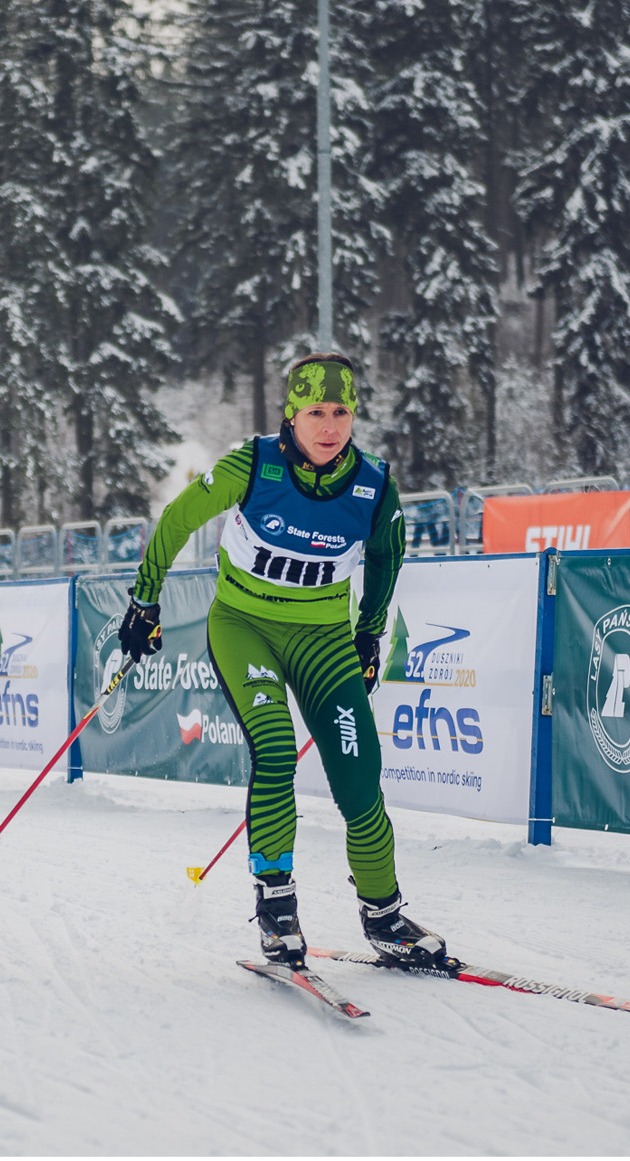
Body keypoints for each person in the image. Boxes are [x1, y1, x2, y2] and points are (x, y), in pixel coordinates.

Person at [121, 352, 447, 969]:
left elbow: (386, 559)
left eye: (341, 412)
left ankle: (384, 916)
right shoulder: (254, 465)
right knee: (273, 749)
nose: (330, 426)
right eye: (316, 411)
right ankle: (276, 908)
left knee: (359, 778)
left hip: (323, 640)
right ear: (292, 414)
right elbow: (177, 519)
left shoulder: (374, 486)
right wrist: (145, 599)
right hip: (245, 629)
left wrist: (369, 634)